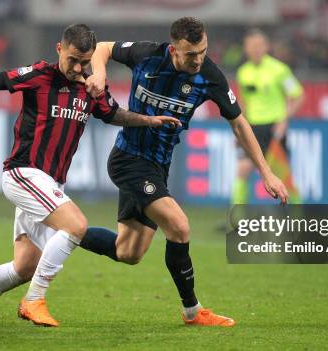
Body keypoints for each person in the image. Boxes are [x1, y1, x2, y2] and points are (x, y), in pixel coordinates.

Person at [0, 24, 180, 327]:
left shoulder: (90, 86)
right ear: (60, 49)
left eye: (85, 61)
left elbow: (112, 114)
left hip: (48, 184)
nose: (79, 67)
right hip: (24, 173)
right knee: (76, 225)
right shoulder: (38, 75)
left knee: (25, 266)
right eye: (73, 59)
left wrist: (148, 120)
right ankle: (33, 301)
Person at [81, 17, 289, 327]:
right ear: (174, 49)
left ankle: (66, 230)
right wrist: (98, 73)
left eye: (203, 51)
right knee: (179, 226)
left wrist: (266, 172)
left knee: (128, 252)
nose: (198, 59)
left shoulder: (209, 75)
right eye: (191, 54)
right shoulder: (147, 55)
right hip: (128, 159)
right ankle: (192, 310)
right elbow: (102, 48)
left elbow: (238, 123)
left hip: (157, 168)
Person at [232, 29, 304, 205]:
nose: (255, 49)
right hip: (252, 129)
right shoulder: (243, 72)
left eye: (259, 45)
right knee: (242, 170)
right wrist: (239, 130)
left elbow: (298, 96)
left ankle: (299, 215)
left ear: (266, 47)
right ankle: (236, 219)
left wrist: (284, 120)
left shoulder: (279, 70)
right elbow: (243, 103)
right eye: (251, 46)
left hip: (274, 129)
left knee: (282, 177)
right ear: (246, 48)